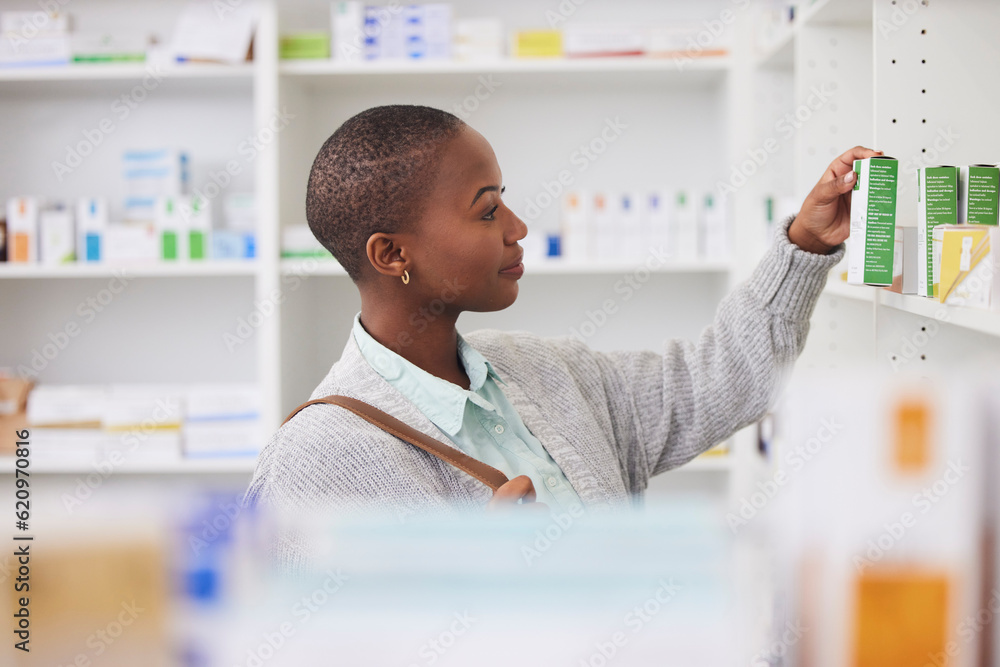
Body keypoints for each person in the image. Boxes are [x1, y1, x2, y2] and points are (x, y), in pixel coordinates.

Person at [244, 104, 876, 540]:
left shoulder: (543, 372)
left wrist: (807, 245)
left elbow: (715, 382)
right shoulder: (315, 460)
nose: (518, 228)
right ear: (392, 254)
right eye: (487, 211)